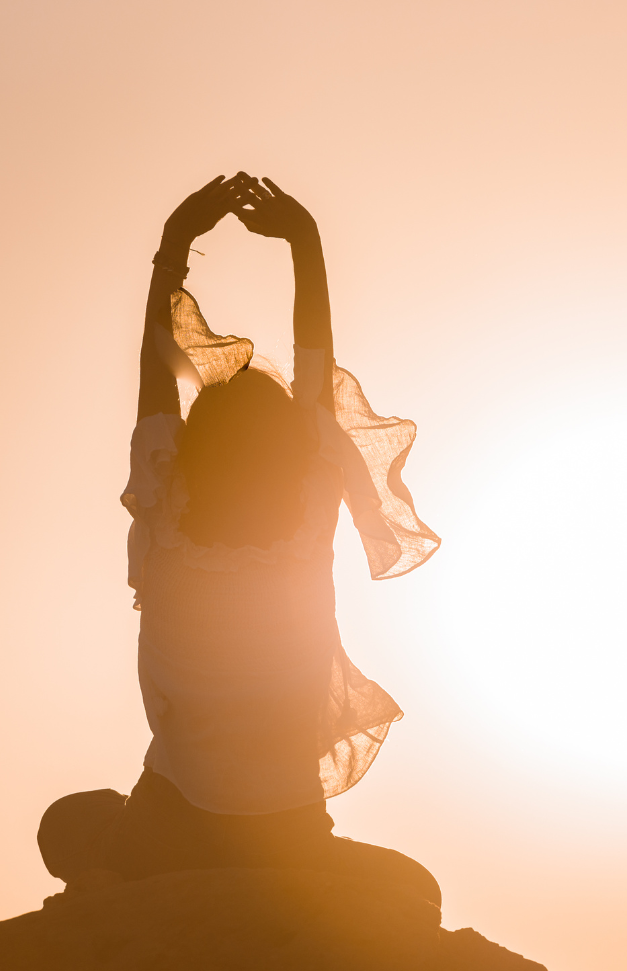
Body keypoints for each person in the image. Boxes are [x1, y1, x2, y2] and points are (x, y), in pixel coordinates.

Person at [37, 174, 442, 907]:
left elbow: (156, 375)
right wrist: (304, 243)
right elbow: (315, 366)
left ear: (194, 447)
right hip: (286, 829)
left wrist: (173, 249)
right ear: (296, 449)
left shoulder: (163, 511)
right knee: (412, 891)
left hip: (169, 824)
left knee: (69, 826)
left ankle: (140, 877)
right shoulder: (307, 520)